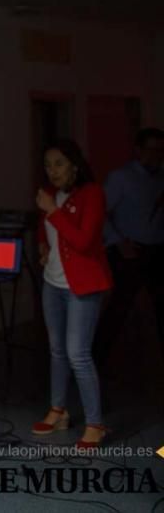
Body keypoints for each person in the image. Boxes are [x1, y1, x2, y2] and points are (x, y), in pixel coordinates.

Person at [31, 138, 112, 449]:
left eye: (59, 164)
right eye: (48, 165)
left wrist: (53, 211)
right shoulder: (49, 195)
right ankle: (58, 409)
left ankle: (95, 424)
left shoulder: (92, 194)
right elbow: (44, 230)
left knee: (78, 353)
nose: (52, 171)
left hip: (82, 286)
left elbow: (84, 241)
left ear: (75, 165)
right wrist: (42, 247)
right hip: (53, 284)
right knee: (57, 350)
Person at [93, 127, 164, 368]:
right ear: (138, 150)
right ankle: (95, 361)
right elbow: (99, 213)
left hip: (157, 249)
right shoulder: (121, 177)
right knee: (119, 307)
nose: (156, 155)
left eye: (160, 150)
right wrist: (118, 241)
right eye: (151, 149)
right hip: (130, 250)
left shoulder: (160, 177)